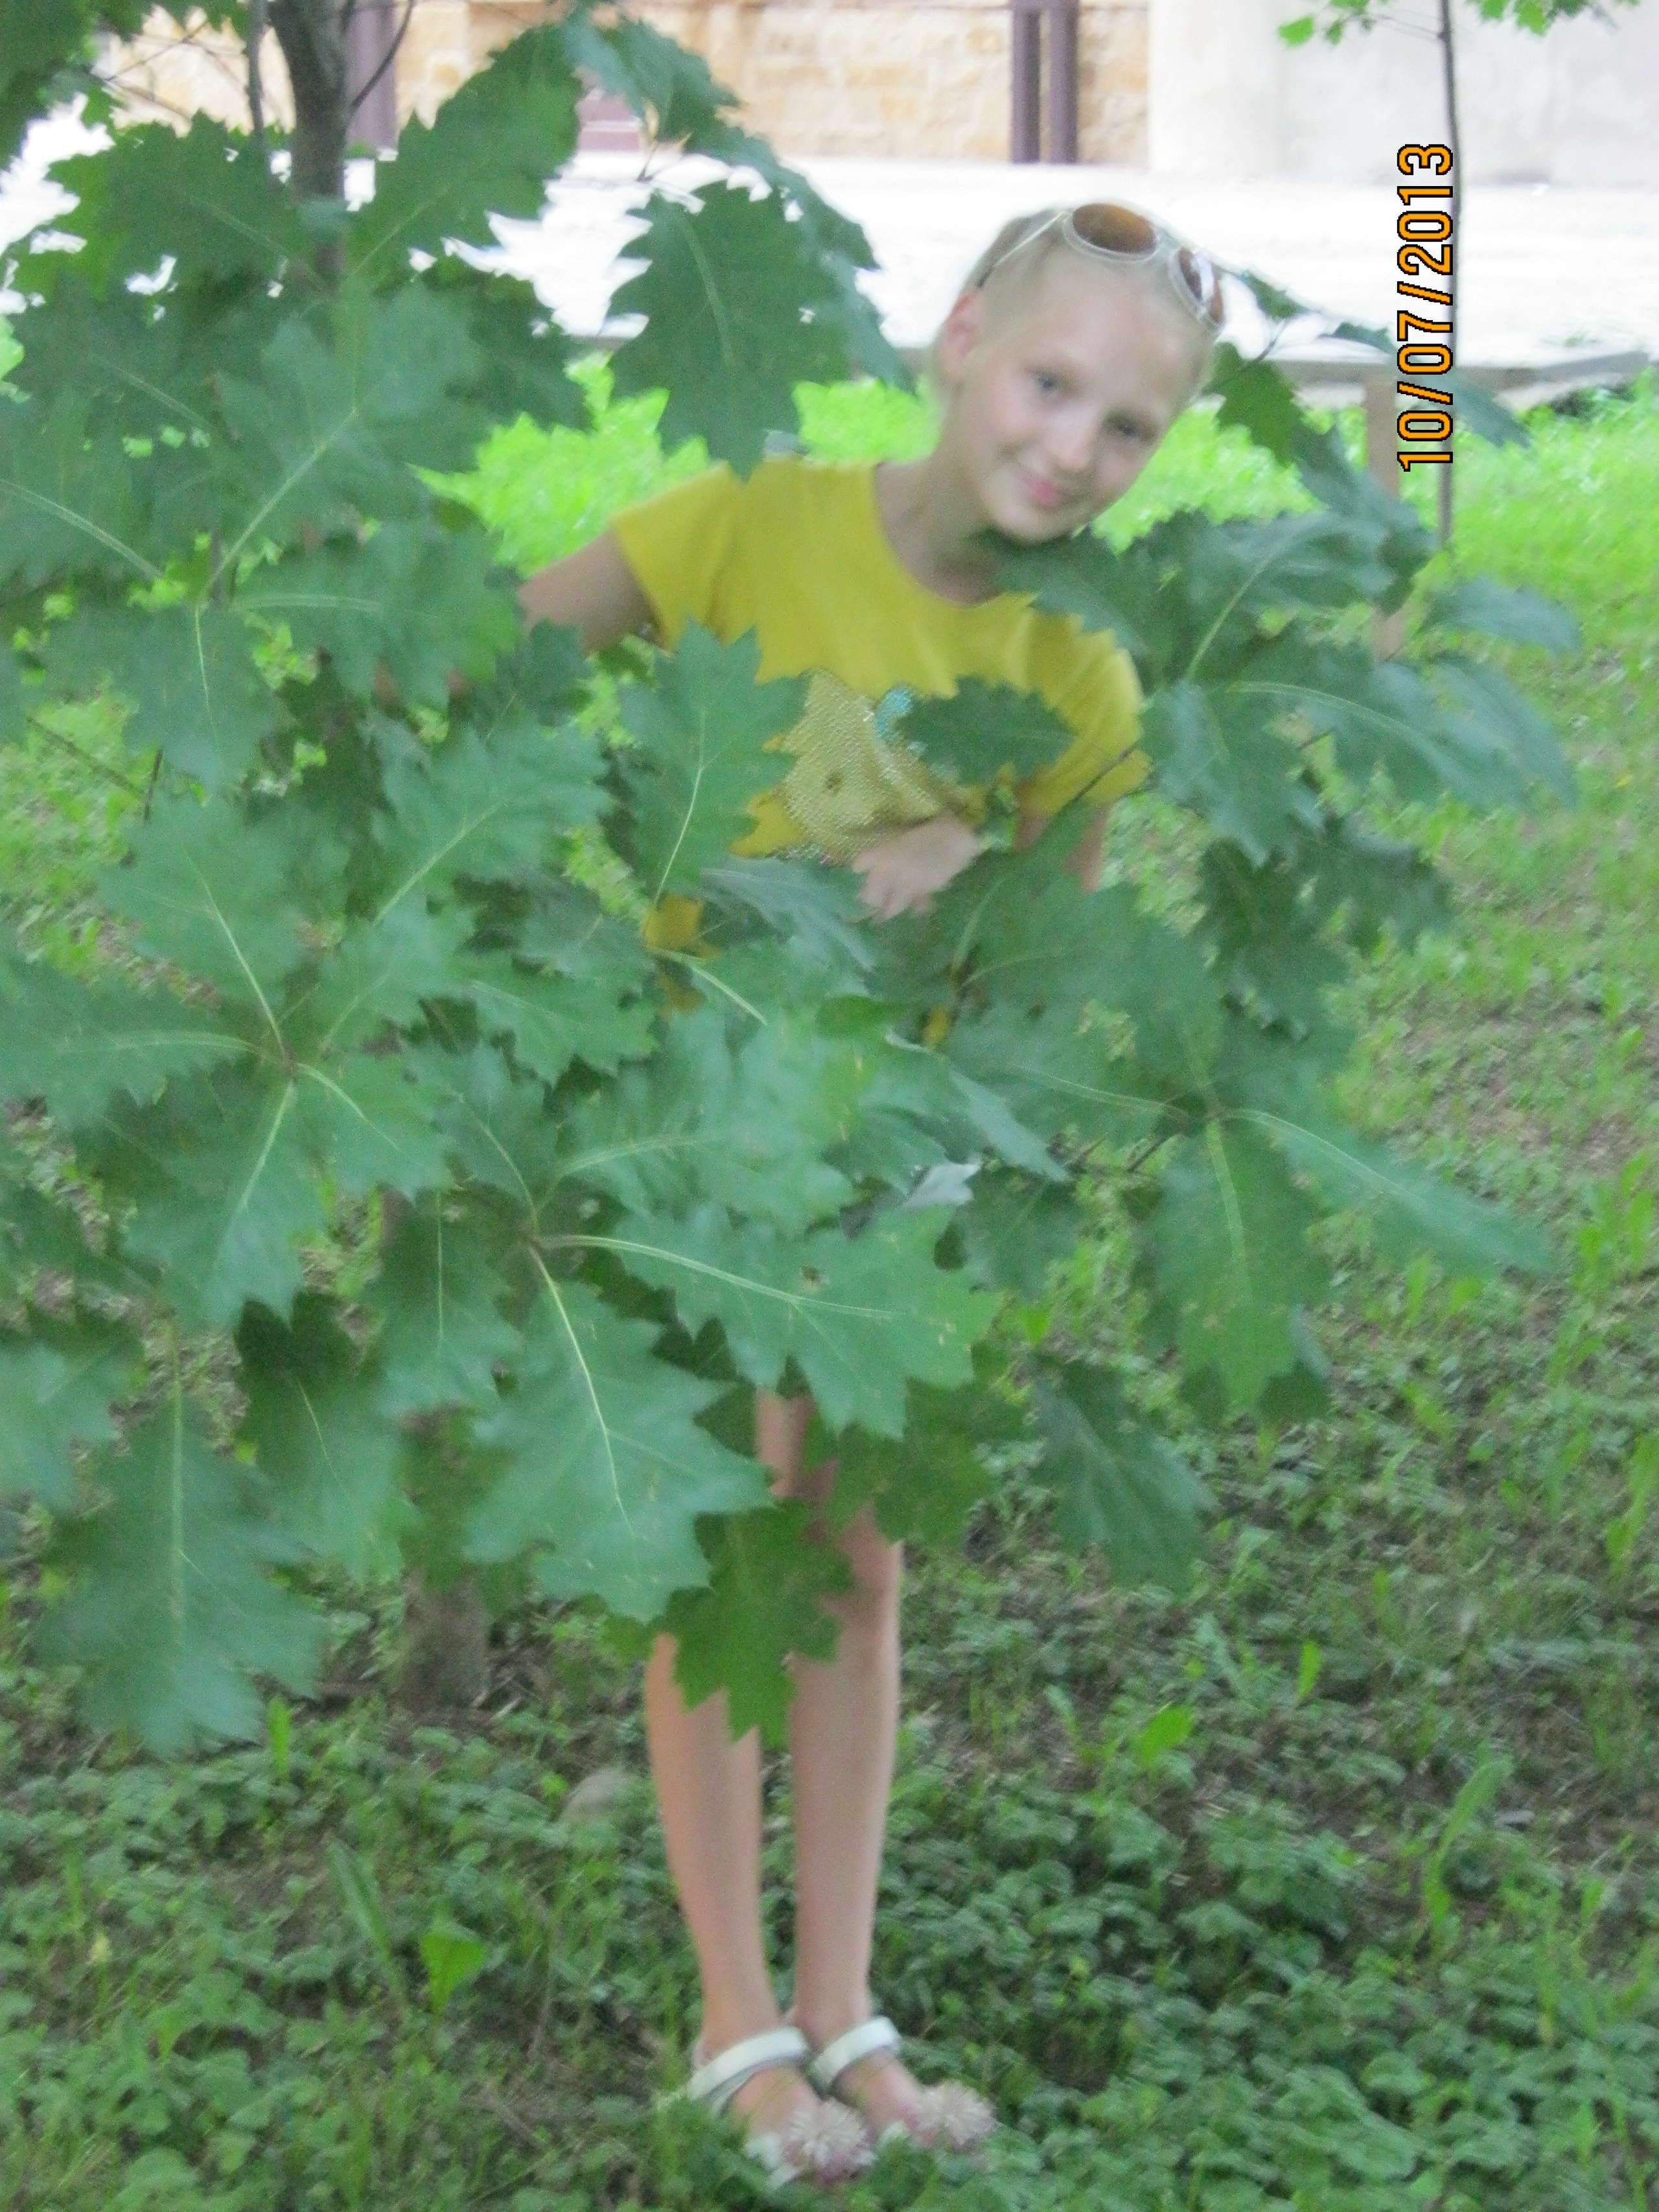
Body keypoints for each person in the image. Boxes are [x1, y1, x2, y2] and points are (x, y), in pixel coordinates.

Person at [517, 200, 1224, 2189]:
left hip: (894, 1163)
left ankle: (848, 2012)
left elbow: (1045, 983)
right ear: (958, 337)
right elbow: (491, 667)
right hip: (695, 1151)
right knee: (728, 1552)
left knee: (860, 1561)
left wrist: (963, 885)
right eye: (1051, 382)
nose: (1075, 445)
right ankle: (734, 2026)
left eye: (1128, 429)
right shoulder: (748, 524)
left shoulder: (1078, 678)